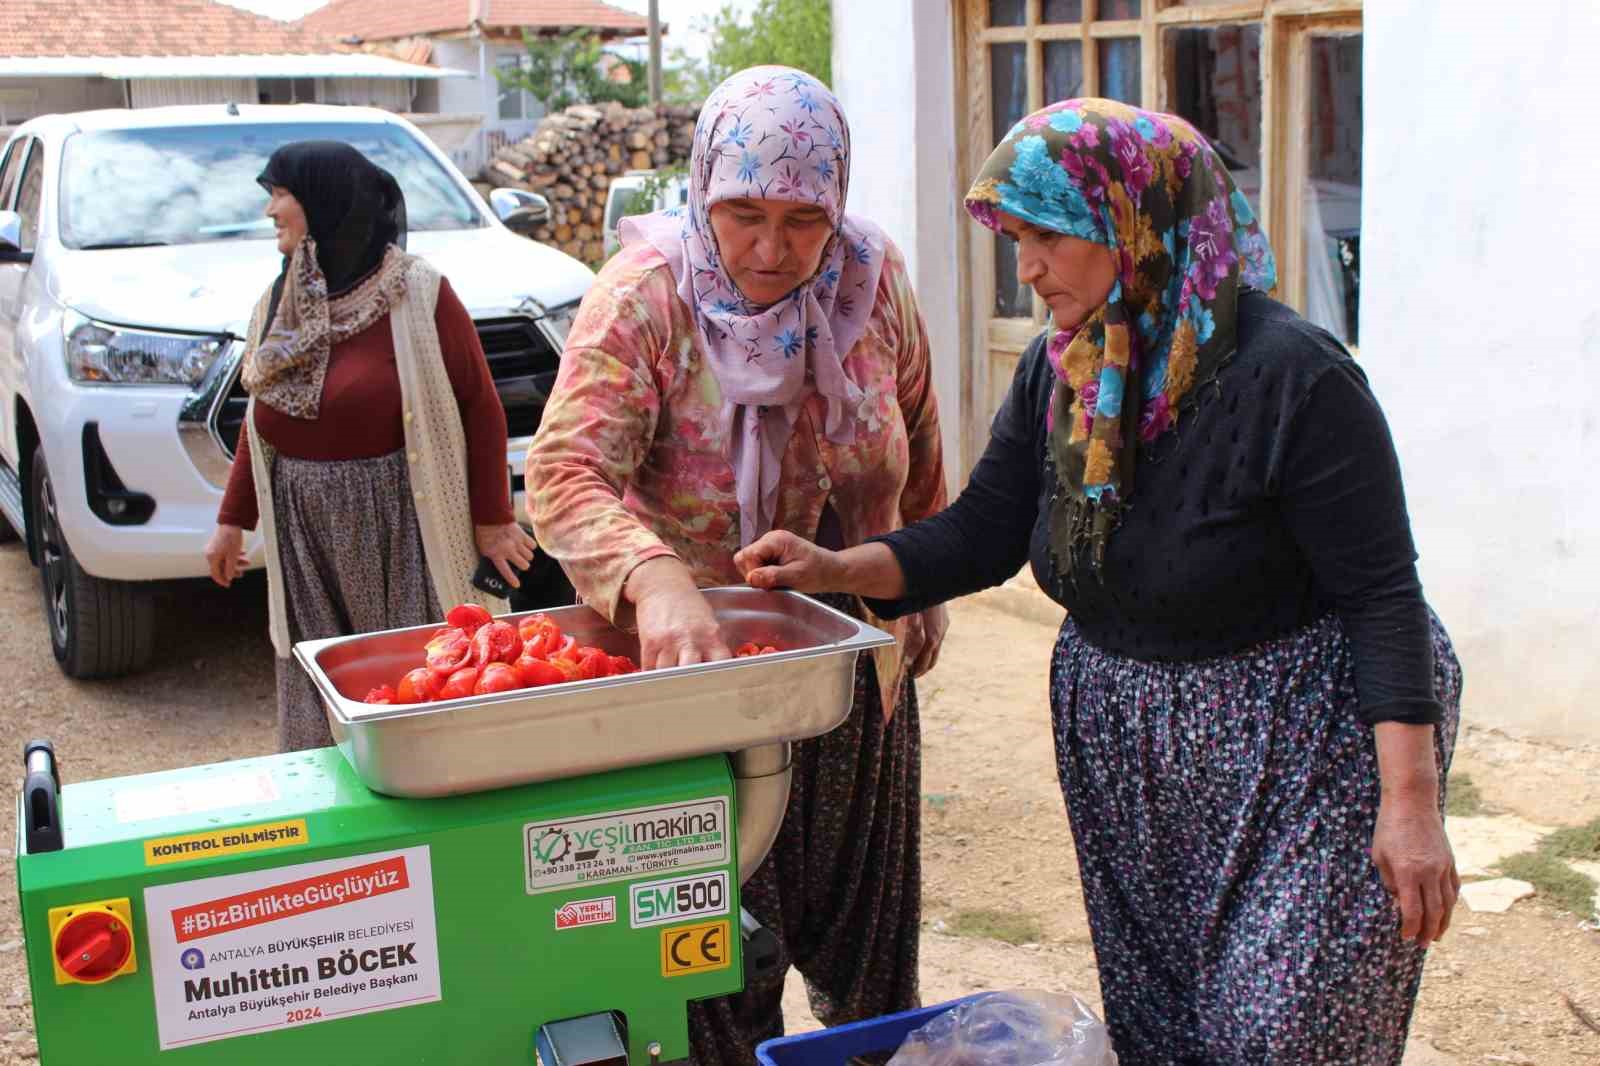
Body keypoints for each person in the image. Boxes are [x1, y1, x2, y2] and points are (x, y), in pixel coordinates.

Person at [734, 99, 1462, 1065]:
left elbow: (1383, 597)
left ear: (1138, 224)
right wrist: (837, 570)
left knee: (1283, 1033)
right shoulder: (1066, 374)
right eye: (1018, 239)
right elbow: (983, 534)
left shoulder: (1296, 378)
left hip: (1303, 738)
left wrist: (1409, 805)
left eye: (1050, 238)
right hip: (1133, 747)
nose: (1026, 269)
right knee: (1164, 1027)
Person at [524, 66, 948, 1064]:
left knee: (869, 955)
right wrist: (655, 578)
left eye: (803, 220)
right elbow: (564, 471)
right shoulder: (647, 296)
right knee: (708, 967)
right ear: (700, 190)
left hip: (851, 680)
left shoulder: (872, 280)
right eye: (742, 214)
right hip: (693, 687)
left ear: (836, 204)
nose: (769, 250)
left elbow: (921, 437)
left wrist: (915, 572)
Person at [205, 141, 534, 752]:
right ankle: (337, 823)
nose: (272, 210)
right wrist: (232, 521)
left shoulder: (416, 292)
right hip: (306, 532)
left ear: (327, 203)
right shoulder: (280, 301)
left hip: (402, 524)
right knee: (322, 678)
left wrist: (492, 521)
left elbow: (480, 406)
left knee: (414, 678)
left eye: (282, 194)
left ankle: (431, 805)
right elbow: (263, 415)